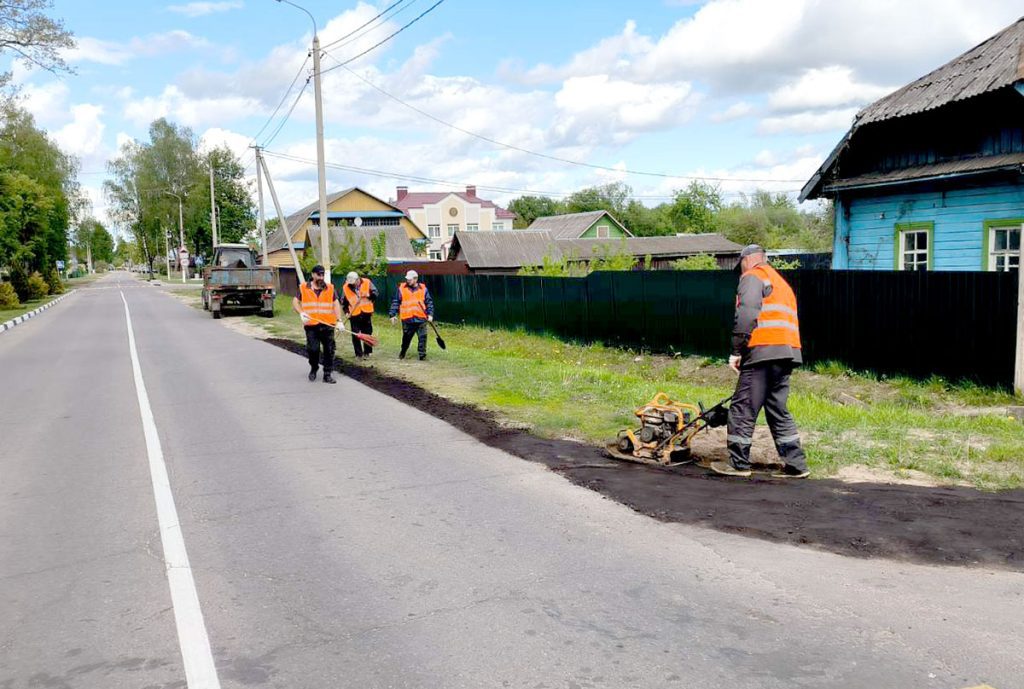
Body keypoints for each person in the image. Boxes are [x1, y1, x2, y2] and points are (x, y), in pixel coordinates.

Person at [711, 244, 810, 479]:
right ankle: (797, 465)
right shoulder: (780, 282)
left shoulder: (752, 277)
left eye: (741, 266)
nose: (741, 270)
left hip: (763, 353)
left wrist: (737, 351)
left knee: (743, 407)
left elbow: (746, 313)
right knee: (777, 409)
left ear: (747, 260)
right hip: (787, 353)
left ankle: (738, 465)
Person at [292, 264, 342, 384]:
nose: (321, 277)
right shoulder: (304, 287)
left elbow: (336, 304)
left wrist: (339, 320)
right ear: (313, 274)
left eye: (322, 274)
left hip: (327, 324)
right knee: (313, 349)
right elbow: (295, 301)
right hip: (311, 325)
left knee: (329, 350)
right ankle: (314, 368)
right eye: (318, 274)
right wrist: (301, 313)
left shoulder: (330, 288)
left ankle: (327, 374)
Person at [389, 270, 434, 360]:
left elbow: (429, 302)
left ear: (416, 279)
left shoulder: (423, 289)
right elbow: (396, 301)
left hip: (421, 318)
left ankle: (422, 355)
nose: (408, 281)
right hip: (407, 319)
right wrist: (392, 314)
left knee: (423, 337)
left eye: (410, 279)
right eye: (407, 279)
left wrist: (430, 314)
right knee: (406, 338)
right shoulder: (401, 288)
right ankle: (403, 352)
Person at [342, 271, 378, 358]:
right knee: (355, 334)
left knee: (367, 333)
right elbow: (344, 302)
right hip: (354, 314)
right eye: (351, 283)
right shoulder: (346, 287)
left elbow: (376, 293)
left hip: (366, 313)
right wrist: (346, 312)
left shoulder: (367, 282)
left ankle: (367, 352)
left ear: (358, 279)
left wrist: (368, 295)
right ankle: (358, 354)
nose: (353, 285)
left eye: (354, 282)